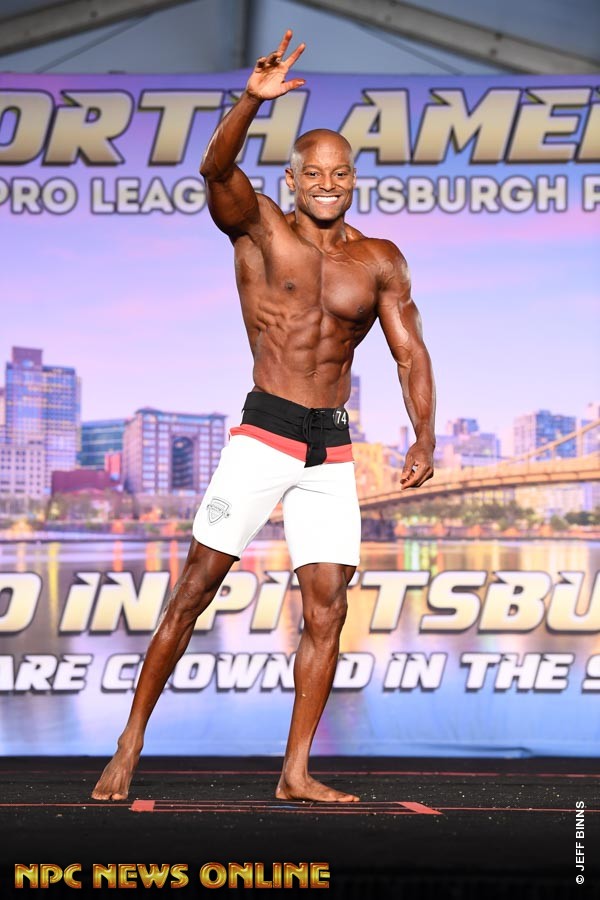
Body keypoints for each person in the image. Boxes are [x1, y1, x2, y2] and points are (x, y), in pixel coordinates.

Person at [92, 30, 435, 804]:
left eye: (339, 174)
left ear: (353, 181)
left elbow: (410, 351)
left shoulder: (379, 259)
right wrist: (252, 99)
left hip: (331, 449)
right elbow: (215, 170)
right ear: (293, 178)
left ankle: (296, 771)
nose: (327, 184)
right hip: (264, 433)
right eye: (313, 173)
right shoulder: (259, 228)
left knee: (328, 608)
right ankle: (129, 742)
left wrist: (424, 432)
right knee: (193, 591)